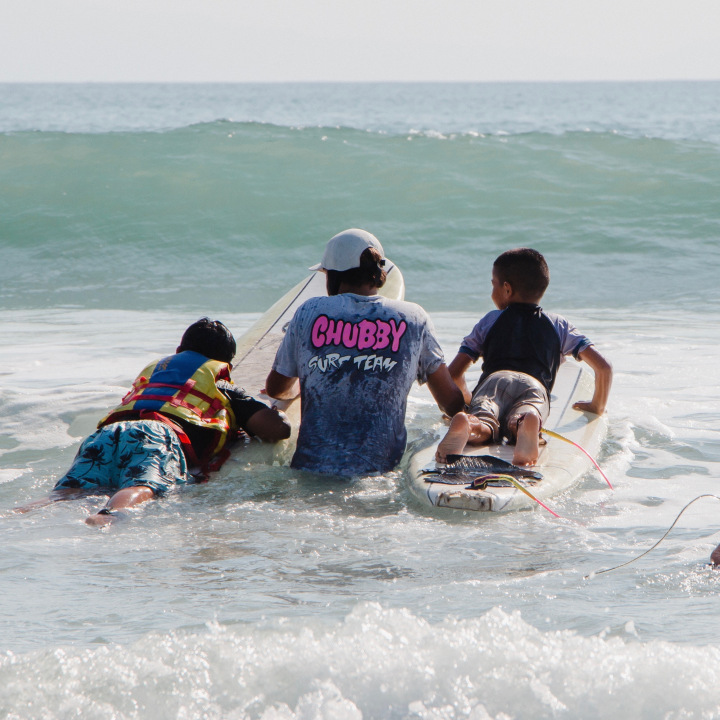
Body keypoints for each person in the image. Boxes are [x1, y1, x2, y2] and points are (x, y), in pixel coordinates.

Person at [19, 318, 290, 525]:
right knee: (142, 485)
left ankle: (18, 512)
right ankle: (107, 517)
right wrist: (278, 410)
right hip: (156, 435)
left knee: (69, 490)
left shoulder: (155, 373)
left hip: (109, 432)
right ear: (225, 364)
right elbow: (276, 429)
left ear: (179, 350)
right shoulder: (220, 383)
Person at [265, 229, 464, 477]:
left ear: (333, 276)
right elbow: (450, 403)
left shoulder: (309, 312)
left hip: (309, 471)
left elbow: (276, 389)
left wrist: (301, 385)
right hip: (380, 474)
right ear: (378, 274)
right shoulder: (414, 318)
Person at [436, 248, 612, 466]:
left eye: (493, 285)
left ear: (507, 289)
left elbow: (454, 374)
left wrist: (466, 401)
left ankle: (470, 426)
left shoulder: (490, 320)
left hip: (494, 381)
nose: (491, 292)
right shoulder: (559, 324)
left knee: (485, 421)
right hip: (534, 386)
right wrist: (597, 406)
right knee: (524, 414)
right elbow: (604, 368)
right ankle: (524, 424)